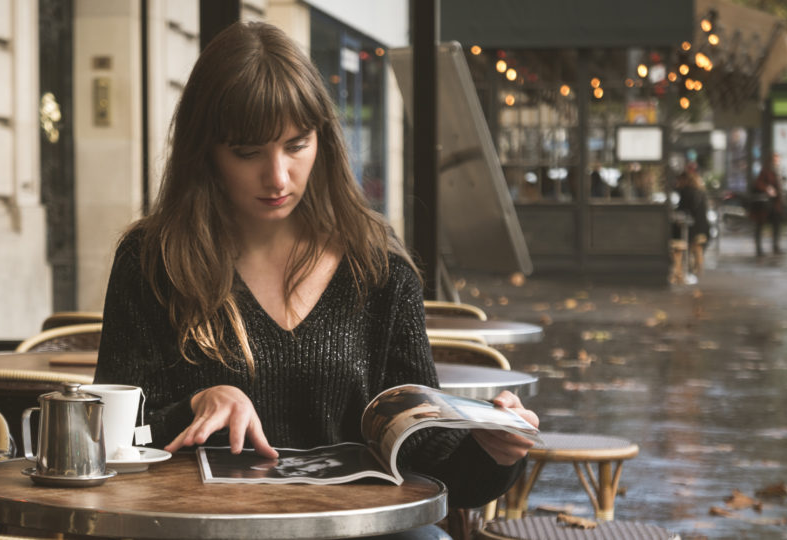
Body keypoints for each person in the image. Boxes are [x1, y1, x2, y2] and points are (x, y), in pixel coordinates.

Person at [93, 21, 537, 511]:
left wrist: (495, 451)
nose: (278, 176)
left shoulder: (377, 268)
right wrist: (195, 406)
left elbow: (428, 472)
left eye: (296, 144)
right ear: (206, 154)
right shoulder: (153, 261)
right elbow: (107, 443)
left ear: (322, 140)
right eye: (248, 152)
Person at [673, 163, 710, 278]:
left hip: (693, 229)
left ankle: (680, 270)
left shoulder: (685, 192)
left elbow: (681, 211)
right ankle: (696, 267)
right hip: (704, 228)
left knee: (675, 236)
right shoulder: (701, 191)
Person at [750, 154, 784, 256]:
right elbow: (758, 184)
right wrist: (767, 189)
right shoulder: (765, 172)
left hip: (774, 205)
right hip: (763, 205)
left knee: (776, 225)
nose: (777, 162)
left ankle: (775, 246)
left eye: (778, 160)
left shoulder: (776, 172)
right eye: (775, 160)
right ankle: (759, 249)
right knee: (760, 226)